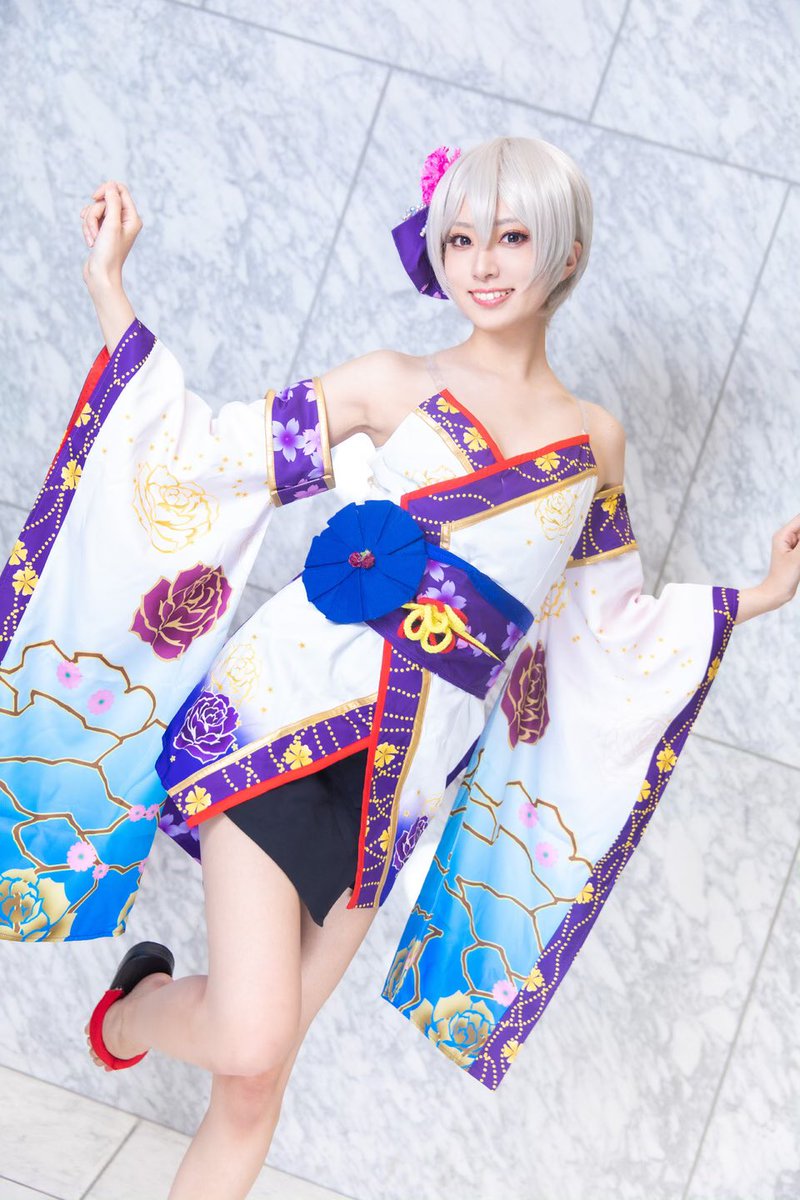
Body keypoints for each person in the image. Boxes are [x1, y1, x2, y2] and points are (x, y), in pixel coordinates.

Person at [3, 137, 796, 1199]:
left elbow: (606, 621)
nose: (483, 262)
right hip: (280, 718)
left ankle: (139, 1013)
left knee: (255, 1085)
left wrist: (754, 596)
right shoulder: (392, 383)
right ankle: (135, 1012)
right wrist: (110, 286)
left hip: (401, 779)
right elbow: (207, 459)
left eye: (510, 236)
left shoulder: (592, 443)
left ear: (565, 254)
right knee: (250, 1034)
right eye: (459, 238)